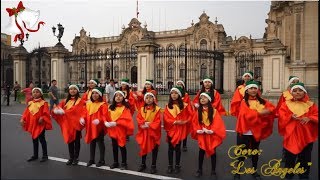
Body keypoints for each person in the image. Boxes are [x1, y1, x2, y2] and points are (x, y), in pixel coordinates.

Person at [233, 80, 275, 180]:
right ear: (247, 91)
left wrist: (268, 111)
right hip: (244, 130)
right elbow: (246, 115)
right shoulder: (244, 102)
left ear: (258, 89)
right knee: (241, 153)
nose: (253, 90)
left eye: (255, 88)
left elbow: (272, 108)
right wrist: (260, 113)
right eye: (251, 88)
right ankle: (238, 171)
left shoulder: (261, 101)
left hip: (256, 131)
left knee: (255, 152)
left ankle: (254, 171)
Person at [278, 82, 318, 179]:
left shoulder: (311, 105)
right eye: (295, 91)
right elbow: (281, 116)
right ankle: (289, 175)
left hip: (306, 137)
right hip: (291, 136)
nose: (297, 92)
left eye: (300, 90)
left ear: (304, 92)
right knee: (290, 159)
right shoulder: (285, 104)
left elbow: (317, 115)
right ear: (291, 93)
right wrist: (290, 116)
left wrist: (310, 118)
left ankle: (304, 176)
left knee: (305, 159)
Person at [191, 92, 226, 177]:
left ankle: (213, 170)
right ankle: (199, 169)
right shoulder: (198, 111)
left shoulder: (214, 111)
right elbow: (195, 122)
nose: (202, 99)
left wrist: (212, 130)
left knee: (213, 152)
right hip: (202, 135)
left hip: (211, 135)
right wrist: (197, 130)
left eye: (204, 98)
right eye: (201, 98)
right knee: (201, 152)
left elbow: (218, 123)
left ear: (209, 100)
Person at [52, 84, 85, 166]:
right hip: (67, 124)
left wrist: (82, 118)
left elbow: (84, 111)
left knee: (76, 141)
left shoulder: (80, 101)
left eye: (74, 89)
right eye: (71, 89)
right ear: (69, 91)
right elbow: (58, 108)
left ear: (77, 91)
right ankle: (71, 157)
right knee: (70, 141)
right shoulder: (65, 100)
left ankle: (76, 158)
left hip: (76, 124)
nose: (72, 90)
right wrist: (57, 110)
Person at [163, 86, 193, 174]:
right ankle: (170, 165)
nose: (173, 95)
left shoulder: (184, 105)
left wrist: (184, 122)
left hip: (179, 129)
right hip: (171, 129)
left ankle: (177, 165)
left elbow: (191, 115)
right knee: (170, 148)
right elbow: (165, 118)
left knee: (177, 148)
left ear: (179, 95)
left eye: (175, 93)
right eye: (172, 93)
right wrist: (175, 121)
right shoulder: (168, 106)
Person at [20, 87, 52, 162]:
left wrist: (43, 117)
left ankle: (45, 155)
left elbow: (46, 113)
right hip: (33, 124)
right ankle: (35, 155)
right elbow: (26, 113)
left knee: (42, 140)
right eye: (34, 92)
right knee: (34, 140)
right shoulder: (30, 103)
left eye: (37, 92)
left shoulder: (44, 103)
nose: (35, 93)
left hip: (40, 125)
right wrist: (22, 119)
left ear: (41, 94)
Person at [104, 91, 134, 170]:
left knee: (122, 146)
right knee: (114, 146)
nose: (118, 97)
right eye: (116, 95)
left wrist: (116, 123)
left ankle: (124, 163)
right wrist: (105, 122)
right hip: (113, 130)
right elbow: (105, 116)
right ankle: (115, 162)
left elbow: (127, 119)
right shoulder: (110, 107)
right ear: (114, 98)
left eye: (120, 95)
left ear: (123, 98)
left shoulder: (125, 108)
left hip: (121, 130)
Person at [80, 87, 108, 167]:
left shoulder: (103, 104)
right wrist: (82, 118)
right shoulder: (88, 104)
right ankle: (91, 159)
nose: (94, 95)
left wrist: (99, 120)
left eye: (96, 93)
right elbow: (84, 112)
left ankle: (102, 160)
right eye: (93, 93)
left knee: (100, 143)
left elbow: (105, 115)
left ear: (100, 95)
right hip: (90, 126)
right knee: (92, 143)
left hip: (99, 127)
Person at [135, 92, 161, 174]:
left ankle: (153, 165)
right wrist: (143, 123)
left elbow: (158, 120)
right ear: (144, 99)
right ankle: (143, 164)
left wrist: (149, 124)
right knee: (143, 147)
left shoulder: (157, 109)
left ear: (154, 99)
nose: (148, 99)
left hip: (154, 132)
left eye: (150, 97)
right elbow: (138, 118)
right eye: (147, 98)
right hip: (144, 132)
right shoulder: (142, 109)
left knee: (154, 148)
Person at [176, 80, 191, 152]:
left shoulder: (186, 95)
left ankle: (184, 145)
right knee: (177, 129)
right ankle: (178, 143)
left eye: (180, 84)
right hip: (177, 114)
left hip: (184, 114)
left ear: (183, 86)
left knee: (184, 130)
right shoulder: (175, 94)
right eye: (178, 84)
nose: (179, 85)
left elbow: (187, 104)